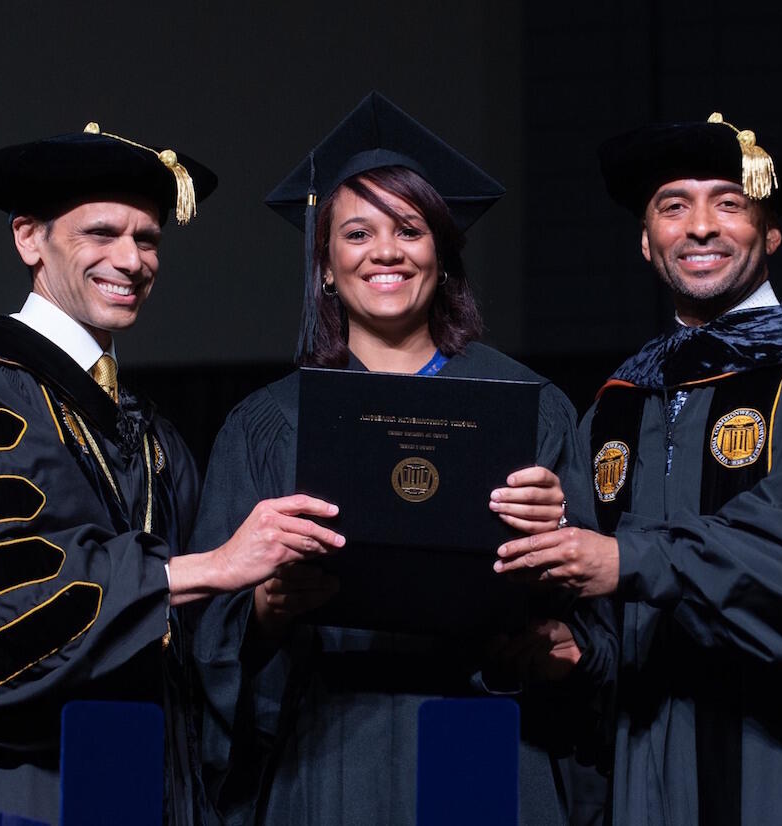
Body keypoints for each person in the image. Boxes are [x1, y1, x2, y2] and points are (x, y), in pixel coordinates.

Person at [0, 124, 345, 826]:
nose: (132, 259)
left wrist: (268, 601)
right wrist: (205, 568)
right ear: (30, 238)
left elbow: (193, 658)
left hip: (130, 786)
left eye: (147, 239)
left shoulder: (153, 438)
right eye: (102, 233)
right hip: (7, 794)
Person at [494, 113, 782, 824]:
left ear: (770, 231)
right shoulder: (617, 409)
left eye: (729, 202)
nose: (701, 227)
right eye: (673, 206)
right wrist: (574, 651)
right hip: (660, 782)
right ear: (646, 241)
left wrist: (630, 559)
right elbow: (612, 627)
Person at [185, 92, 617, 825]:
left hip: (489, 737)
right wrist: (261, 612)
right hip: (327, 752)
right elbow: (208, 637)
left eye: (410, 229)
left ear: (442, 256)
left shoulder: (527, 404)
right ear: (324, 265)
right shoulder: (266, 423)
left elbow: (593, 625)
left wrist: (560, 599)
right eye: (356, 233)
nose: (385, 250)